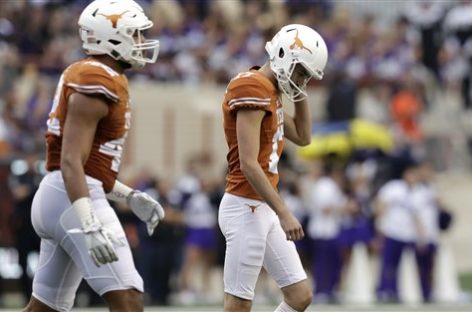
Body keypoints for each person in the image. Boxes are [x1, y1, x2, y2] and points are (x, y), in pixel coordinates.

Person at [23, 1, 164, 311]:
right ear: (112, 38)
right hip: (73, 197)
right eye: (136, 35)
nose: (141, 43)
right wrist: (88, 223)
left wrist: (128, 196)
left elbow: (87, 164)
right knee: (129, 299)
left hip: (64, 193)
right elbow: (72, 160)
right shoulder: (95, 79)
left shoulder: (101, 76)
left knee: (43, 308)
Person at [219, 24, 328, 312]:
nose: (302, 80)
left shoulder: (272, 91)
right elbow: (248, 163)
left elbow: (303, 137)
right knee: (238, 305)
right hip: (245, 204)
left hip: (261, 205)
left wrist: (300, 89)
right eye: (301, 71)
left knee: (300, 295)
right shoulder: (251, 86)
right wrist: (284, 212)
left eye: (307, 76)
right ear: (282, 55)